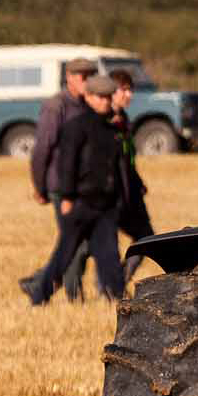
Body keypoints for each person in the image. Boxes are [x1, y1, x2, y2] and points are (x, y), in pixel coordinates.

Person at [29, 74, 126, 305]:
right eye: (100, 97)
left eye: (108, 97)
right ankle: (39, 296)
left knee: (109, 255)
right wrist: (67, 197)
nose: (105, 101)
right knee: (65, 255)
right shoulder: (76, 127)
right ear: (89, 97)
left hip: (105, 206)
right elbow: (67, 165)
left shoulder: (112, 128)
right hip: (81, 202)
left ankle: (120, 301)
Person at [66, 69, 155, 290]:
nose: (129, 95)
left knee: (145, 239)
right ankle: (81, 292)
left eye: (130, 90)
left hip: (126, 196)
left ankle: (113, 286)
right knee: (87, 246)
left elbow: (126, 161)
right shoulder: (99, 124)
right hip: (104, 196)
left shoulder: (123, 121)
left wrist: (137, 182)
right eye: (124, 90)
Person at [19, 56, 96, 301]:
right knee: (77, 244)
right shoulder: (56, 106)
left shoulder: (89, 105)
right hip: (61, 186)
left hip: (83, 187)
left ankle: (37, 283)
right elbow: (42, 149)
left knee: (82, 243)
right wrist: (39, 186)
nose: (87, 81)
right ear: (69, 78)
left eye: (90, 76)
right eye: (83, 77)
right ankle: (74, 297)